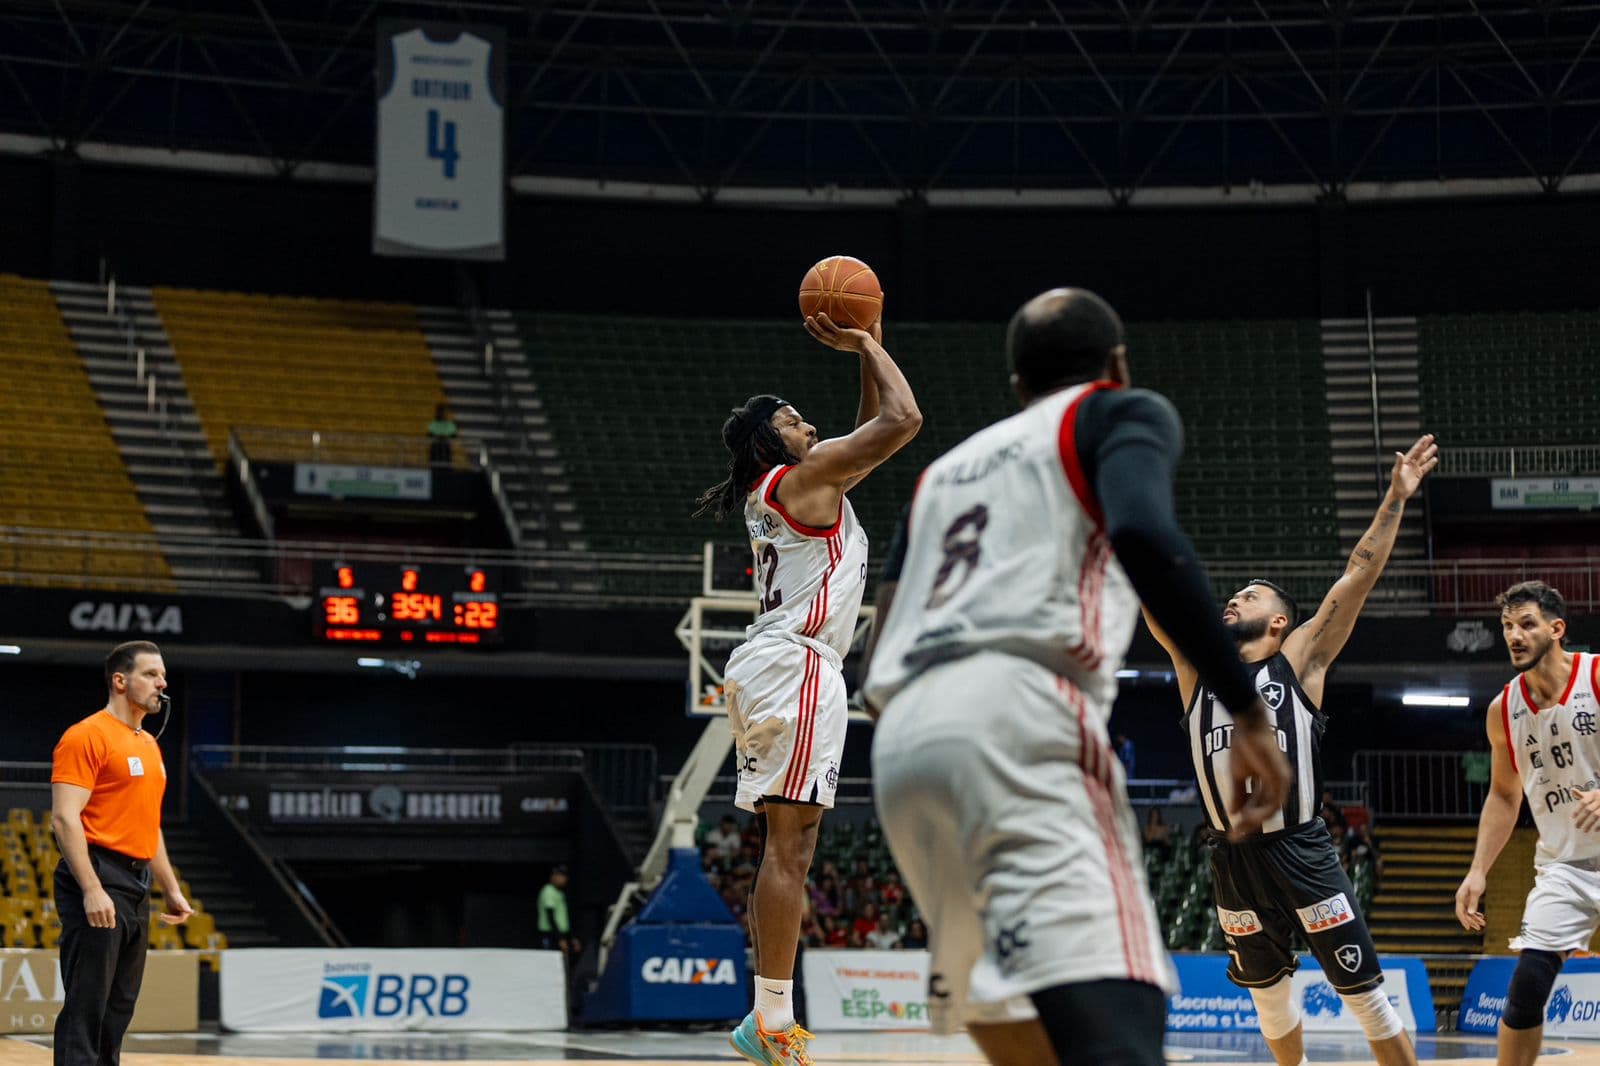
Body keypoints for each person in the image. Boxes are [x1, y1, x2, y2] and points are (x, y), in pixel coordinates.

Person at [864, 288, 1290, 1066]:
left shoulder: (942, 476)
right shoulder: (1115, 412)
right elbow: (1142, 531)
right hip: (1017, 711)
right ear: (1116, 364)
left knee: (1018, 1031)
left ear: (1018, 384)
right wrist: (1246, 707)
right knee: (1116, 1016)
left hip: (902, 742)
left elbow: (878, 642)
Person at [1145, 433, 1438, 1066]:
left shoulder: (1298, 661)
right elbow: (1155, 604)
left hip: (1302, 848)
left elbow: (1358, 574)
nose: (1234, 599)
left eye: (1250, 595)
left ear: (1280, 621)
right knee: (1268, 1003)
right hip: (1231, 857)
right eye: (1234, 594)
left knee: (1365, 1000)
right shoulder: (1199, 670)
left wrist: (1394, 498)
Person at [695, 309, 921, 1066]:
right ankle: (768, 1022)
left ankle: (765, 1017)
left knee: (795, 842)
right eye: (795, 420)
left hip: (784, 665)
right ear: (774, 443)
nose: (810, 423)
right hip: (794, 666)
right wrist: (864, 342)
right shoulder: (799, 481)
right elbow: (902, 419)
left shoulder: (804, 483)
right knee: (789, 847)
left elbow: (868, 435)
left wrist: (872, 339)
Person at [1455, 582, 1600, 1066]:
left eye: (1527, 624)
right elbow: (1502, 795)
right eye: (1507, 627)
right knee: (1527, 987)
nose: (1515, 635)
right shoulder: (1504, 709)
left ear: (1557, 629)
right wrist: (1478, 870)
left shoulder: (1596, 676)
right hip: (1567, 867)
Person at [50, 641, 192, 1066]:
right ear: (120, 681)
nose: (162, 683)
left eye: (162, 675)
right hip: (98, 873)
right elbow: (64, 818)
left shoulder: (149, 745)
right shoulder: (86, 736)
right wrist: (91, 889)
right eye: (151, 674)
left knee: (118, 1009)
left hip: (135, 885)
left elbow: (149, 827)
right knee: (87, 1006)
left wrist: (171, 888)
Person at [537, 865, 579, 961]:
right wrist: (560, 938)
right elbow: (550, 916)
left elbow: (563, 919)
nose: (564, 879)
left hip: (561, 934)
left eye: (565, 876)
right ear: (553, 876)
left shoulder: (560, 893)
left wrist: (571, 937)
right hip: (550, 934)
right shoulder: (548, 891)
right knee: (549, 961)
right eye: (561, 876)